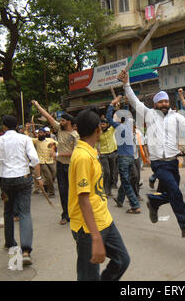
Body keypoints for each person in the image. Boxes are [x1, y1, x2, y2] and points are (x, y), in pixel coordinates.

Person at [121, 70, 185, 237]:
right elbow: (133, 100)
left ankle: (153, 202)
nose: (164, 103)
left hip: (172, 162)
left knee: (171, 193)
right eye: (160, 101)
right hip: (159, 163)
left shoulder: (176, 117)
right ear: (155, 104)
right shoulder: (148, 114)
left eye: (166, 101)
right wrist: (126, 84)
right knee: (175, 192)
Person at [69, 105, 130, 281]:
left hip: (104, 219)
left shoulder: (91, 151)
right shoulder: (82, 156)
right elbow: (83, 200)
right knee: (88, 277)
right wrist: (95, 237)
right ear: (97, 129)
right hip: (87, 228)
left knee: (122, 260)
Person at [0, 115, 43, 264]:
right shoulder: (25, 139)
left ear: (4, 127)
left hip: (6, 182)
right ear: (17, 125)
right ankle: (25, 252)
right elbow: (35, 160)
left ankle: (10, 243)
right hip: (24, 179)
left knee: (8, 211)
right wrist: (38, 178)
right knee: (24, 213)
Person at [32, 100, 79, 225]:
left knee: (73, 191)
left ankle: (75, 212)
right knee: (63, 191)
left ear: (69, 122)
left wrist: (58, 154)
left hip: (71, 166)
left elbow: (75, 153)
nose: (60, 122)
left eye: (63, 120)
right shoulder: (59, 129)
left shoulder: (75, 135)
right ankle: (65, 215)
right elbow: (48, 117)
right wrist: (37, 105)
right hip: (60, 165)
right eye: (60, 121)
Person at [106, 95, 141, 214]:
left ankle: (135, 205)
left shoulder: (119, 126)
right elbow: (126, 114)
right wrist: (125, 104)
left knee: (125, 182)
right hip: (131, 157)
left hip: (123, 158)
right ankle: (120, 200)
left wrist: (112, 104)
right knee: (126, 179)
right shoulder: (129, 124)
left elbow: (108, 118)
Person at [32, 128, 57, 198]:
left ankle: (46, 185)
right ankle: (51, 192)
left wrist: (53, 144)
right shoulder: (36, 141)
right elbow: (27, 139)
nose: (39, 134)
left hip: (50, 160)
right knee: (48, 176)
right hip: (42, 162)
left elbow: (57, 143)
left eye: (41, 133)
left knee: (53, 175)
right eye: (39, 133)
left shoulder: (50, 140)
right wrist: (27, 129)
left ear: (45, 134)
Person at [97, 118, 118, 198]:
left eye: (104, 124)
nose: (103, 126)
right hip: (103, 154)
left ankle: (109, 190)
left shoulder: (111, 130)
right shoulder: (98, 133)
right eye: (101, 124)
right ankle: (105, 190)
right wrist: (97, 151)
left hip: (112, 153)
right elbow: (95, 143)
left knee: (112, 172)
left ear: (107, 124)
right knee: (107, 172)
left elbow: (114, 122)